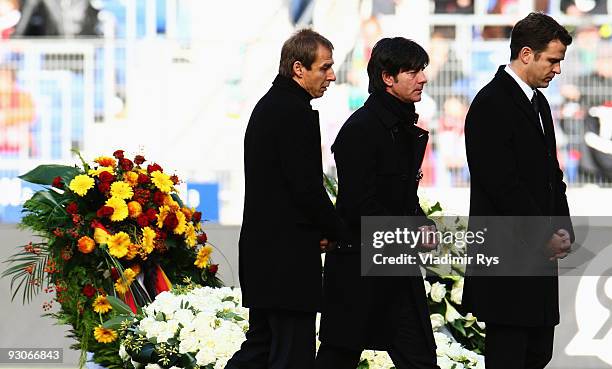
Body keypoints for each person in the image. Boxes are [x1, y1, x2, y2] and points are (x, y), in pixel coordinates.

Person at [225, 29, 347, 369]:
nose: (332, 76)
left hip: (266, 257)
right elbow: (306, 187)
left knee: (260, 349)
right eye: (324, 68)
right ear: (298, 68)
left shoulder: (272, 105)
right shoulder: (293, 112)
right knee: (291, 355)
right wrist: (338, 230)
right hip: (288, 261)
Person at [316, 37, 439, 369]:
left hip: (394, 264)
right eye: (413, 72)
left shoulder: (400, 127)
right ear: (388, 77)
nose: (423, 79)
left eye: (422, 71)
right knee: (337, 358)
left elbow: (401, 200)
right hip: (360, 268)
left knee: (422, 361)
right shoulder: (362, 129)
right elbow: (359, 207)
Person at [462, 12, 574, 369]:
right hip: (507, 259)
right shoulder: (490, 103)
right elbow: (501, 184)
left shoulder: (539, 104)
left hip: (537, 258)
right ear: (527, 54)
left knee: (538, 353)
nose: (557, 70)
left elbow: (551, 175)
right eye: (553, 60)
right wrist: (544, 233)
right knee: (509, 355)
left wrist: (563, 228)